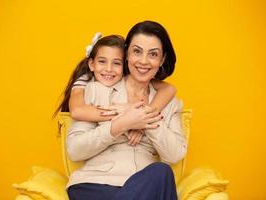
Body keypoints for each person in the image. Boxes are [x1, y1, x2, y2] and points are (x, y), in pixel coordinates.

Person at [65, 21, 187, 200]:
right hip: (96, 185)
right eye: (137, 51)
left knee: (162, 171)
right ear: (127, 54)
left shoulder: (170, 103)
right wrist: (120, 124)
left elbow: (174, 154)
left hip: (146, 189)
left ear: (161, 60)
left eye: (153, 54)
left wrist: (143, 118)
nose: (144, 61)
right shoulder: (96, 90)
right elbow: (75, 150)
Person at [56, 33, 177, 146]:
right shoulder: (84, 81)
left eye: (117, 63)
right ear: (91, 64)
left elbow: (169, 88)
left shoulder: (127, 77)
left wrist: (140, 120)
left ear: (125, 64)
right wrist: (127, 116)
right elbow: (77, 111)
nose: (109, 69)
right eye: (102, 61)